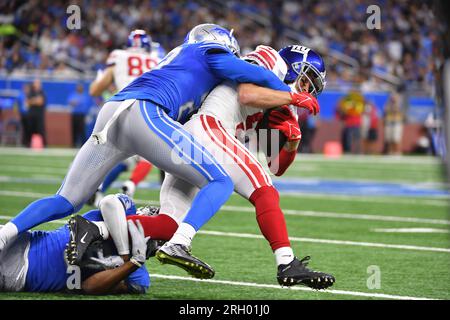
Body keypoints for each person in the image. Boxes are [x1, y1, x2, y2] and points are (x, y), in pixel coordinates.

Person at [0, 24, 318, 281]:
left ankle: (7, 234)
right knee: (219, 182)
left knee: (67, 200)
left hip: (113, 112)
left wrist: (288, 128)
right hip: (144, 112)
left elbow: (269, 150)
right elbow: (245, 76)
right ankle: (181, 244)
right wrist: (290, 94)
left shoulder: (187, 61)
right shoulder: (210, 52)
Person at [75, 45, 333, 290]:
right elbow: (247, 93)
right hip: (209, 127)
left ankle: (95, 229)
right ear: (295, 66)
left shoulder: (283, 103)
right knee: (263, 188)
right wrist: (292, 97)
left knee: (169, 223)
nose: (308, 89)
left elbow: (275, 165)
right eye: (307, 80)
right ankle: (286, 263)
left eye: (312, 88)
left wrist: (292, 143)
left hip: (194, 138)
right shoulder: (271, 61)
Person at [0, 199, 152, 295]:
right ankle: (97, 230)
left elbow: (89, 287)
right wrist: (125, 252)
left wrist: (134, 262)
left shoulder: (139, 277)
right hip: (21, 241)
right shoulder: (121, 212)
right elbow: (109, 203)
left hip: (19, 274)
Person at [88, 29, 161, 205]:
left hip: (121, 109)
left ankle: (97, 190)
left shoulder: (118, 55)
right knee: (149, 156)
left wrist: (101, 82)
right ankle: (130, 184)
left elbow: (96, 90)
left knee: (120, 156)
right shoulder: (157, 59)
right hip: (147, 109)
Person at [68, 83, 91, 147]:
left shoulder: (85, 95)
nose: (79, 89)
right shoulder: (73, 94)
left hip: (82, 115)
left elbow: (85, 104)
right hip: (75, 114)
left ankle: (83, 144)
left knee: (82, 130)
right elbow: (70, 101)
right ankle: (74, 144)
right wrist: (76, 102)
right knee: (74, 130)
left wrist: (77, 102)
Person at [26, 78, 46, 146]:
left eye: (38, 83)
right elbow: (28, 102)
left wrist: (33, 101)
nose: (37, 85)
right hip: (31, 115)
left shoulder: (42, 92)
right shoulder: (31, 92)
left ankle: (43, 144)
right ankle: (28, 144)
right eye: (35, 83)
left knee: (41, 130)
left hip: (39, 115)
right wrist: (36, 100)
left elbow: (41, 102)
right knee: (30, 129)